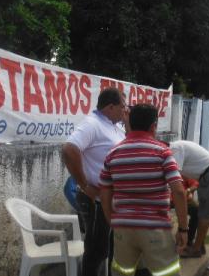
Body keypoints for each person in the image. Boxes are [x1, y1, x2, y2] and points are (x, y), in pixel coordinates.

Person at [100, 104, 189, 276]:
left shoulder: (113, 153)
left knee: (122, 271)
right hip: (155, 229)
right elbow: (178, 191)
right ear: (153, 126)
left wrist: (112, 220)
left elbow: (105, 191)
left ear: (130, 123)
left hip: (123, 227)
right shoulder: (162, 152)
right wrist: (183, 229)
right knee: (166, 272)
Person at [61, 87, 128, 276]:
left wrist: (128, 122)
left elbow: (131, 144)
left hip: (110, 199)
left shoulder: (114, 125)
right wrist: (84, 184)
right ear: (110, 107)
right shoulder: (92, 124)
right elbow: (69, 149)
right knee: (96, 251)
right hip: (96, 200)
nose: (125, 110)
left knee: (105, 248)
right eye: (122, 106)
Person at [169, 140, 209, 258]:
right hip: (206, 176)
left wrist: (182, 229)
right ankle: (199, 245)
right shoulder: (176, 149)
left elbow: (174, 179)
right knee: (202, 212)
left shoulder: (175, 150)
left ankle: (196, 249)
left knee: (204, 214)